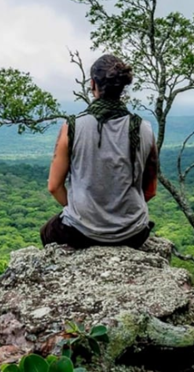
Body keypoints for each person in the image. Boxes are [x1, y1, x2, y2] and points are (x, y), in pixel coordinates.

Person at [40, 54, 159, 249]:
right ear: (122, 88)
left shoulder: (72, 127)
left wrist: (83, 212)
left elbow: (54, 186)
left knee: (46, 232)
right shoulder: (144, 128)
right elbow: (150, 190)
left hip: (82, 232)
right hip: (133, 233)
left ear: (93, 83)